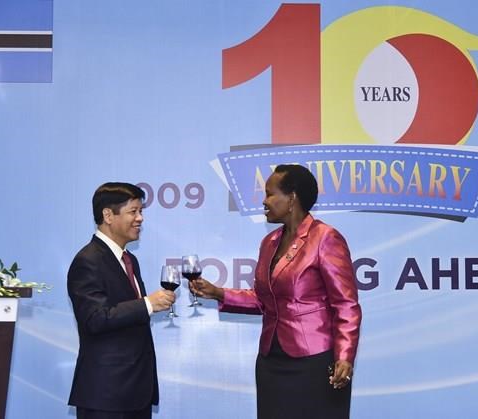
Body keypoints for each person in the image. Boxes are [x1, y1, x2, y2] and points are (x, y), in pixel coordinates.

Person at [191, 164, 362, 419]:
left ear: (291, 197)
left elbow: (346, 305)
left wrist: (345, 357)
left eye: (270, 193)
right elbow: (264, 300)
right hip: (272, 361)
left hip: (315, 362)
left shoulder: (326, 238)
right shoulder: (269, 242)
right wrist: (218, 292)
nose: (264, 200)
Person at [67, 182, 176, 419]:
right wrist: (147, 304)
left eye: (141, 211)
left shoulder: (129, 260)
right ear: (108, 215)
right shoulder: (87, 261)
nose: (140, 219)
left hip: (135, 392)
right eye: (133, 211)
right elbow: (95, 319)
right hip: (106, 395)